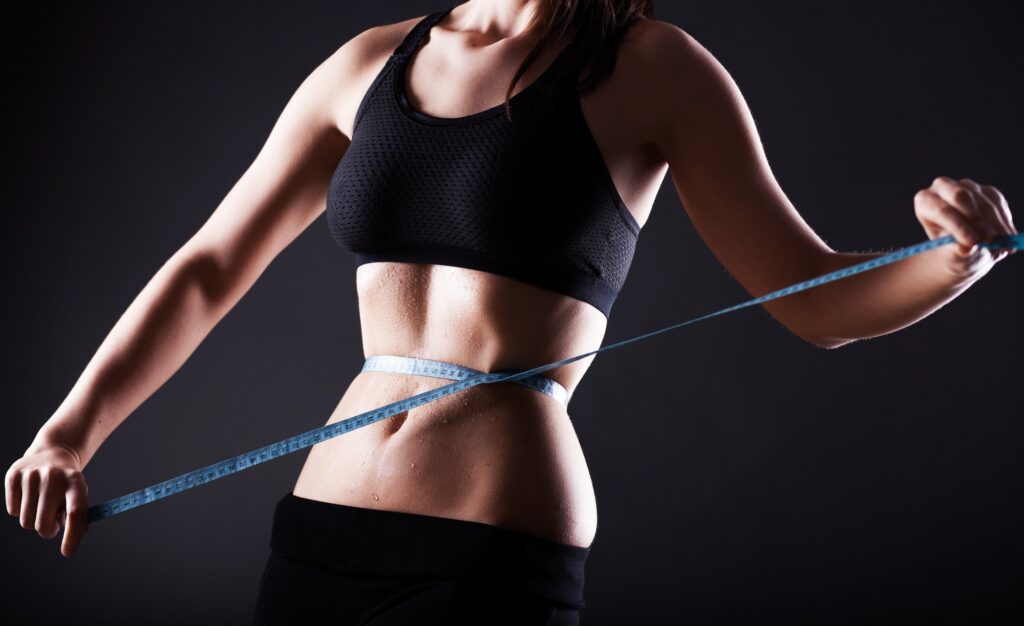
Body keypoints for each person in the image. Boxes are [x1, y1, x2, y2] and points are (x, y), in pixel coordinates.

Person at [4, 1, 1016, 624]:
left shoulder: (651, 68)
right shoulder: (369, 63)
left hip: (489, 552)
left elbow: (819, 298)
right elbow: (210, 265)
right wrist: (70, 429)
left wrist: (953, 261)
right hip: (319, 534)